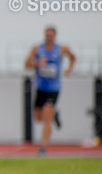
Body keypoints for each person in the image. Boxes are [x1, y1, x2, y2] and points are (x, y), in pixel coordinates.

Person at [24, 26, 76, 155]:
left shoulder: (61, 49)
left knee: (47, 116)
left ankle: (43, 147)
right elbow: (26, 64)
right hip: (40, 87)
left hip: (53, 88)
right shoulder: (37, 49)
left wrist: (69, 68)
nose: (48, 37)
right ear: (44, 35)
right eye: (47, 35)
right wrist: (37, 63)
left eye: (51, 35)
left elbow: (73, 57)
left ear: (55, 36)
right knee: (38, 117)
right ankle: (54, 114)